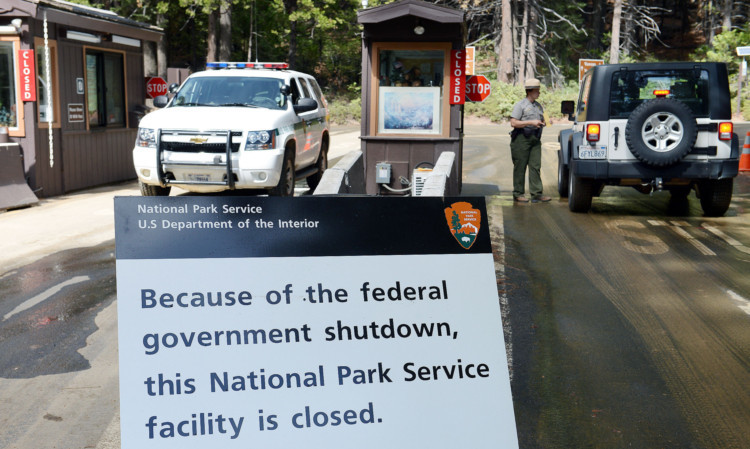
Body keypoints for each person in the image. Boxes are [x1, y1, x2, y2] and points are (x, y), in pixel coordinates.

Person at [509, 78, 551, 203]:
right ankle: (518, 193)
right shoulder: (520, 105)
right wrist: (530, 122)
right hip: (521, 138)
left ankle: (536, 193)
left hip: (535, 138)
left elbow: (545, 119)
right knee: (520, 166)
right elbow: (513, 122)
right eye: (537, 90)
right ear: (530, 91)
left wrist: (546, 122)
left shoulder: (538, 106)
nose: (539, 93)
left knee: (535, 166)